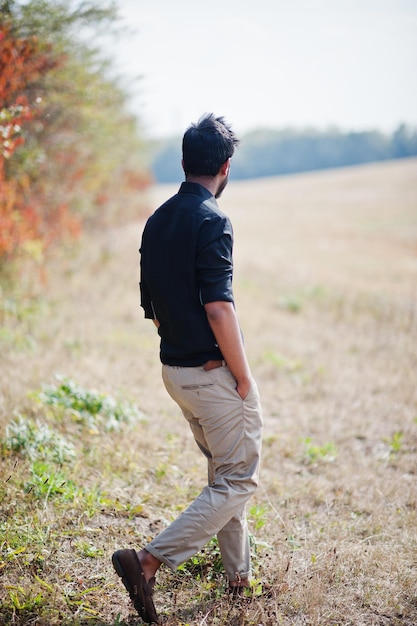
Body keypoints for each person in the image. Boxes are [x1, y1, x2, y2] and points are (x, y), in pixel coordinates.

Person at [112, 113, 263, 624]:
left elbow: (152, 309)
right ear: (225, 167)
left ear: (182, 162)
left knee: (224, 474)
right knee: (239, 479)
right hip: (210, 373)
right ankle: (147, 561)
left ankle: (238, 579)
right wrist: (241, 377)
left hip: (174, 374)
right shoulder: (213, 220)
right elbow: (219, 307)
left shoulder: (156, 220)